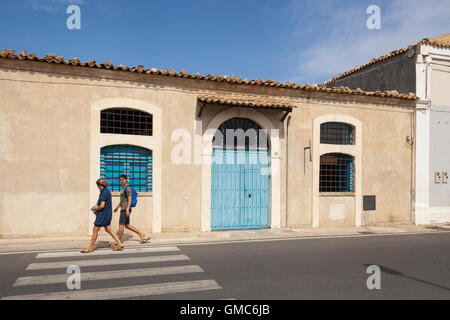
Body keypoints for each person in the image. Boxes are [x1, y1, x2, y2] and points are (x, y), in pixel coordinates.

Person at [81, 179, 124, 253]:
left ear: (99, 186)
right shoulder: (107, 191)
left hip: (103, 214)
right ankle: (119, 243)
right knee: (108, 229)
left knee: (95, 229)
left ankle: (90, 247)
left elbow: (102, 206)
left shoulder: (104, 193)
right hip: (107, 214)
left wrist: (95, 209)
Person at [110, 174, 150, 246]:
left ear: (126, 180)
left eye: (123, 179)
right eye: (120, 180)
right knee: (127, 225)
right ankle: (141, 234)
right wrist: (117, 206)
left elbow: (129, 199)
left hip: (125, 209)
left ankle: (118, 241)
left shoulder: (128, 188)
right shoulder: (123, 188)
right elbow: (123, 200)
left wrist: (127, 209)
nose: (121, 181)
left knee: (121, 225)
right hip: (124, 208)